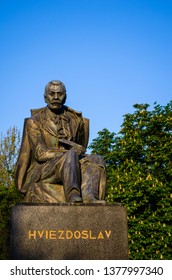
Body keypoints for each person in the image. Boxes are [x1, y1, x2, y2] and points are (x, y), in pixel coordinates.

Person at [15, 80, 106, 203]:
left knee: (95, 159)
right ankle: (72, 194)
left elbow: (81, 145)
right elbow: (40, 154)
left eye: (60, 94)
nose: (56, 97)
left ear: (65, 97)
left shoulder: (75, 120)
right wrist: (67, 154)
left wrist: (78, 149)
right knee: (70, 155)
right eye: (52, 94)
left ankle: (89, 195)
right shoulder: (34, 121)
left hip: (70, 161)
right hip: (45, 168)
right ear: (45, 97)